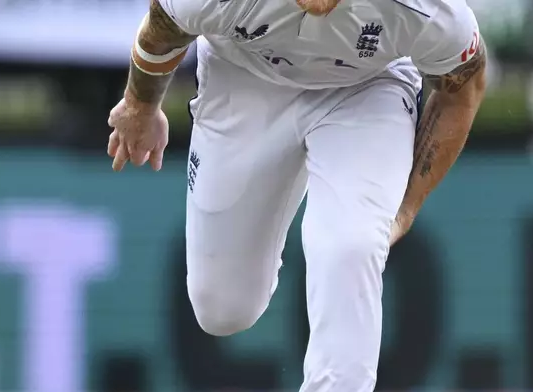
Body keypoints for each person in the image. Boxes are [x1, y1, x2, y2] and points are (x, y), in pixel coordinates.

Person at [107, 0, 486, 389]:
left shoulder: (421, 8)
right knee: (222, 308)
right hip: (243, 75)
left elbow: (464, 84)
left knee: (351, 244)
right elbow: (163, 27)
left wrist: (405, 209)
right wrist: (140, 104)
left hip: (367, 89)